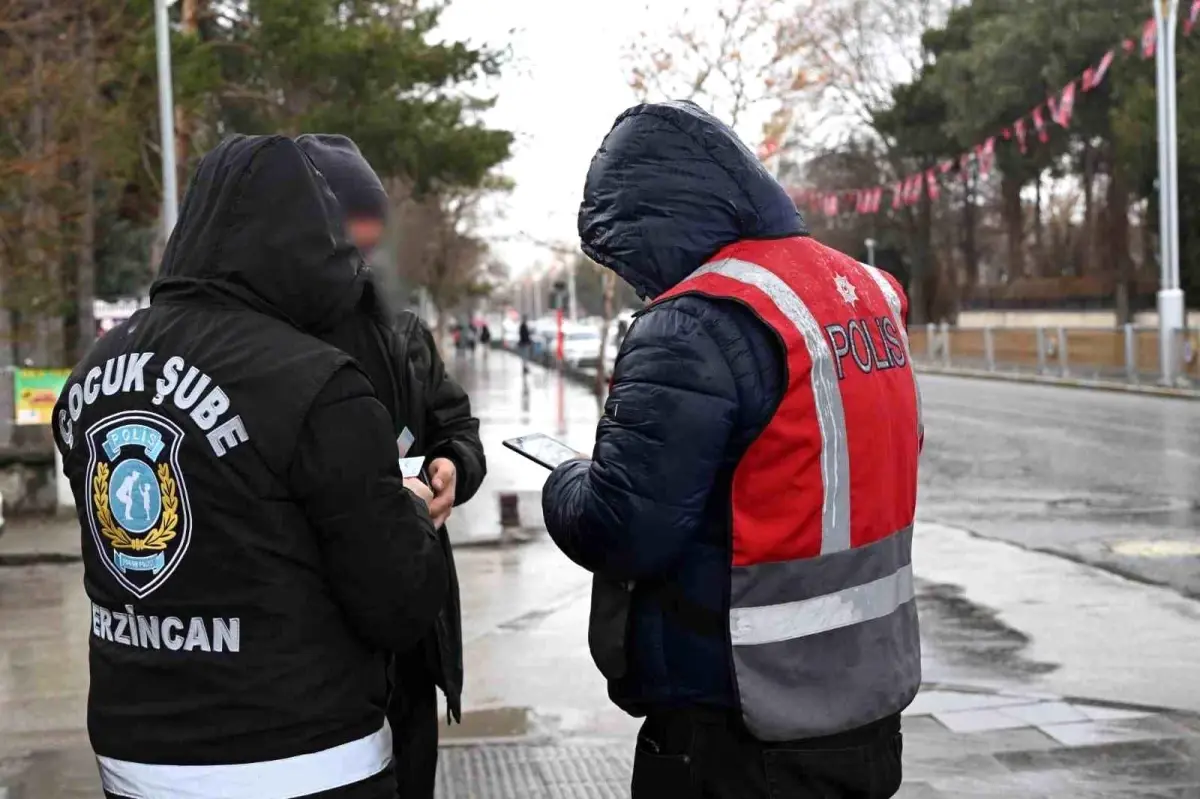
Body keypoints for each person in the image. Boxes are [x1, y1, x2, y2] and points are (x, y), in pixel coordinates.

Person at [541, 101, 923, 798]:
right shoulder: (868, 293)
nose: (636, 281)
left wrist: (564, 480)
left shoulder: (694, 323)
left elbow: (623, 528)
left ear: (650, 227)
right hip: (868, 706)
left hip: (737, 721)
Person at [53, 135, 447, 799]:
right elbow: (397, 603)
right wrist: (409, 507)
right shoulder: (317, 383)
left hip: (136, 756)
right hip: (304, 757)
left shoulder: (95, 373)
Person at [296, 134, 486, 799]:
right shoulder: (271, 342)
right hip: (318, 650)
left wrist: (452, 466)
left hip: (410, 639)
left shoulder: (405, 336)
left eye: (374, 224)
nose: (366, 242)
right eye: (353, 222)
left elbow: (457, 427)